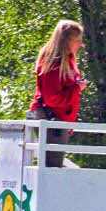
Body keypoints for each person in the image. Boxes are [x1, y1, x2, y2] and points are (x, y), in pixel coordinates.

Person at [27, 19, 88, 168]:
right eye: (77, 40)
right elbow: (52, 99)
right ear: (67, 41)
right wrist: (77, 88)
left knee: (54, 167)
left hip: (58, 120)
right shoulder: (54, 63)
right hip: (51, 118)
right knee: (52, 168)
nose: (81, 44)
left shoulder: (67, 60)